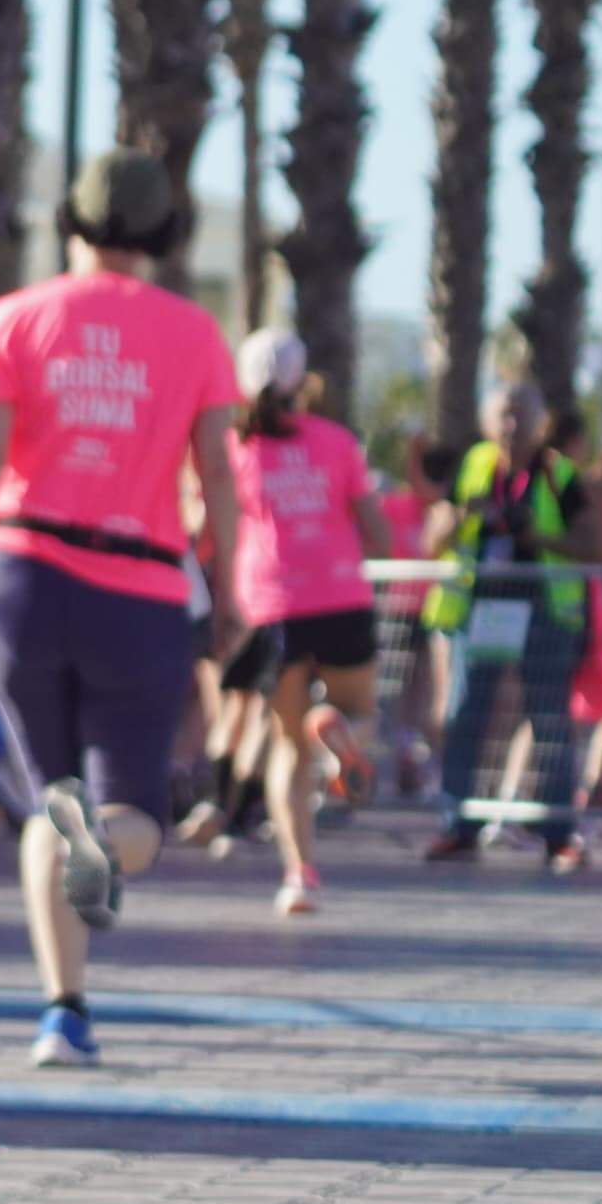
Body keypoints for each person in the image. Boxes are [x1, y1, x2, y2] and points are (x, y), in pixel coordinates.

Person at [0, 153, 242, 1071]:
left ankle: (62, 1010)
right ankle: (102, 844)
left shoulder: (8, 320)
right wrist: (226, 595)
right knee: (133, 810)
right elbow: (218, 474)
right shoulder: (195, 335)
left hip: (20, 571)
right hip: (140, 586)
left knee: (47, 791)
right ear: (164, 236)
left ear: (69, 222)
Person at [214, 330, 378, 915]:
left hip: (270, 605)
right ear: (304, 381)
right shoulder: (337, 442)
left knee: (286, 746)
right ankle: (344, 731)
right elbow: (373, 522)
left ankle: (298, 874)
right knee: (361, 710)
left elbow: (204, 521)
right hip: (339, 595)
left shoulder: (233, 448)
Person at [420, 379, 602, 871]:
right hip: (482, 609)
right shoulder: (472, 466)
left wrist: (536, 534)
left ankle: (560, 830)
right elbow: (431, 540)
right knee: (466, 715)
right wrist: (464, 515)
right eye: (503, 413)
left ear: (542, 422)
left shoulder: (561, 474)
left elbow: (597, 546)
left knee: (549, 721)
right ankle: (458, 823)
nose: (511, 425)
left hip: (544, 610)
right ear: (485, 420)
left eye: (521, 414)